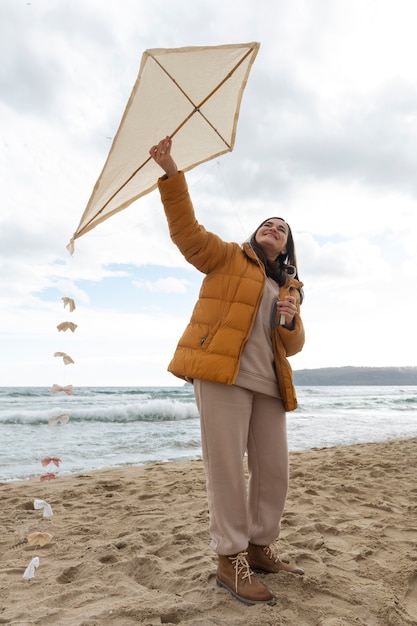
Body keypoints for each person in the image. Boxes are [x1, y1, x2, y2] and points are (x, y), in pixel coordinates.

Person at [150, 136, 305, 606]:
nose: (274, 227)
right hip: (223, 377)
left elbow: (292, 346)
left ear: (287, 245)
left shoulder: (289, 287)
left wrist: (291, 313)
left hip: (269, 385)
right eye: (267, 223)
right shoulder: (224, 257)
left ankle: (259, 547)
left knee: (274, 471)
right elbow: (187, 232)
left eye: (281, 227)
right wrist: (172, 171)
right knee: (226, 471)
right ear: (256, 234)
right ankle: (230, 558)